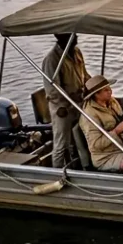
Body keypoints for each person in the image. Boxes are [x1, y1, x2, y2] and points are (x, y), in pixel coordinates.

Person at [42, 33, 90, 169]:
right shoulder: (51, 59)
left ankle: (77, 168)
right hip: (62, 108)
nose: (76, 37)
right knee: (61, 144)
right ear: (62, 38)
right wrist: (71, 97)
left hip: (78, 104)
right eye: (72, 36)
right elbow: (52, 90)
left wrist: (94, 85)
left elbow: (84, 74)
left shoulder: (77, 52)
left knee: (78, 139)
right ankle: (56, 173)